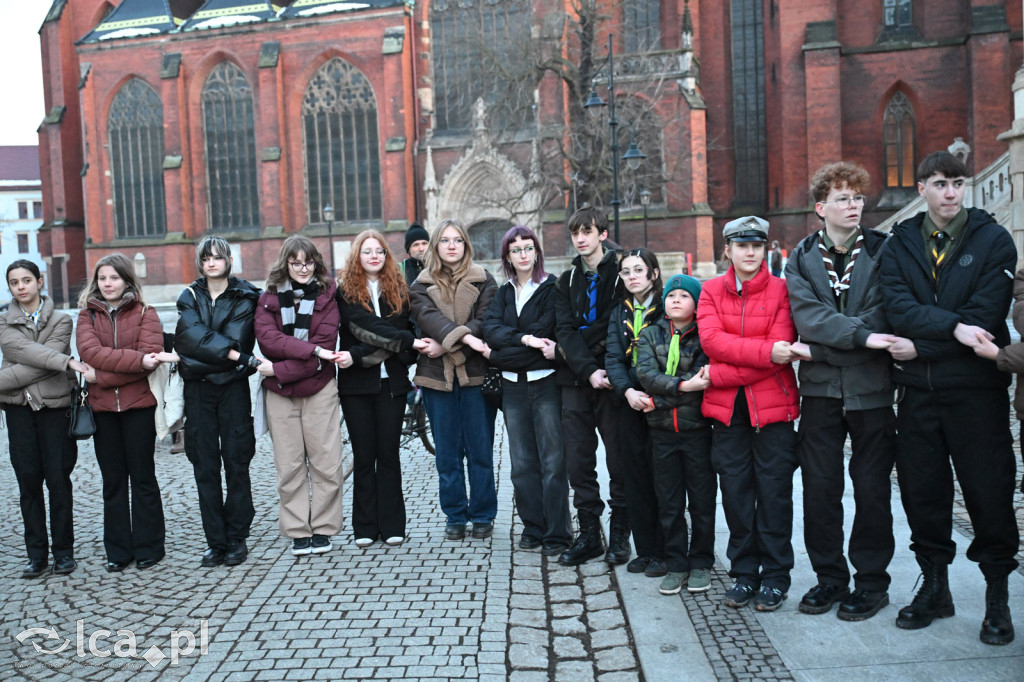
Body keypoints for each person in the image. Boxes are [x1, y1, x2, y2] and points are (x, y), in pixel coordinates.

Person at [878, 151, 1018, 645]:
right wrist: (954, 328)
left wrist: (925, 343)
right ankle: (935, 588)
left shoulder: (994, 240)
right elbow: (897, 308)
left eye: (958, 182)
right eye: (940, 183)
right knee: (923, 493)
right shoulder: (899, 244)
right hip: (918, 393)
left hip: (976, 393)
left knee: (989, 491)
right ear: (922, 189)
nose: (950, 192)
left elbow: (987, 315)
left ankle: (997, 597)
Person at [785, 162, 900, 621]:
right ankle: (830, 578)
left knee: (872, 489)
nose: (853, 205)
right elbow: (805, 316)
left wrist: (824, 349)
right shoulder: (800, 257)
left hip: (872, 392)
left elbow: (887, 313)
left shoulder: (885, 251)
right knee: (819, 488)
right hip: (818, 395)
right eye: (843, 198)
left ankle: (872, 583)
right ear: (821, 208)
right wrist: (860, 342)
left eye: (857, 197)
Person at [697, 216, 801, 612]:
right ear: (728, 250)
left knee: (774, 495)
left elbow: (781, 349)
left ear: (765, 248)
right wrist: (761, 354)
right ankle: (744, 573)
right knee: (737, 495)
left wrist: (721, 373)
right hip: (727, 414)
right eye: (742, 246)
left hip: (773, 411)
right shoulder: (709, 292)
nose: (751, 252)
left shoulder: (781, 291)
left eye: (757, 245)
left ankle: (775, 577)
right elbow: (711, 340)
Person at [174, 236, 263, 568]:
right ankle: (216, 540)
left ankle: (237, 537)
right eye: (206, 258)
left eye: (217, 257)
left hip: (232, 390)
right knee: (205, 466)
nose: (211, 263)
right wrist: (224, 356)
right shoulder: (189, 296)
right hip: (198, 393)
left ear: (228, 260)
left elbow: (238, 342)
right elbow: (187, 338)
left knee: (237, 462)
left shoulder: (246, 295)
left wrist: (194, 358)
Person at [482, 225, 571, 556]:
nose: (522, 254)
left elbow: (545, 330)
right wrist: (524, 340)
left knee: (553, 461)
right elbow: (491, 329)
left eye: (527, 248)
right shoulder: (503, 293)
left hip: (546, 384)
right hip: (512, 389)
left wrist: (501, 352)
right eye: (515, 249)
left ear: (537, 252)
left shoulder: (551, 288)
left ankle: (558, 532)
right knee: (521, 464)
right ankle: (533, 527)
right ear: (507, 256)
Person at [75, 253, 167, 573]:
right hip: (102, 410)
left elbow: (149, 359)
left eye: (114, 278)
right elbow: (90, 352)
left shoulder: (146, 313)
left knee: (143, 478)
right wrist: (134, 364)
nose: (108, 284)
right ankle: (118, 550)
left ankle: (149, 547)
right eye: (102, 278)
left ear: (127, 279)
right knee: (113, 482)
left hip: (138, 407)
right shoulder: (87, 316)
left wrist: (99, 376)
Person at [254, 235, 344, 557]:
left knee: (326, 462)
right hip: (280, 394)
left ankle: (322, 527)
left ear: (316, 263)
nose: (302, 268)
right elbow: (268, 341)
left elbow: (326, 344)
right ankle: (297, 530)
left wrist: (279, 370)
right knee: (289, 465)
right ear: (285, 263)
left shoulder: (329, 296)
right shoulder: (268, 298)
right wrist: (313, 351)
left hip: (318, 387)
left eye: (308, 262)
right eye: (295, 262)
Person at [409, 218, 498, 540]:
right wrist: (469, 341)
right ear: (436, 246)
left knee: (480, 450)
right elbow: (428, 319)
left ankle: (484, 514)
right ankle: (455, 516)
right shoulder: (420, 285)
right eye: (445, 240)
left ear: (465, 245)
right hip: (437, 379)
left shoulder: (485, 281)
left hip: (475, 376)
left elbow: (486, 321)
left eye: (457, 240)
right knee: (447, 453)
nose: (451, 246)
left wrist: (453, 343)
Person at [0, 260, 88, 578]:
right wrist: (63, 362)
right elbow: (44, 360)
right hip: (19, 413)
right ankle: (36, 555)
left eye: (26, 280)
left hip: (54, 411)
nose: (20, 287)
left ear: (40, 282)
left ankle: (64, 553)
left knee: (58, 482)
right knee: (28, 484)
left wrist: (9, 374)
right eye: (14, 282)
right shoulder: (2, 324)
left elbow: (40, 362)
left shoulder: (62, 321)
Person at [338, 229, 425, 547]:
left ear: (387, 257)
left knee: (388, 454)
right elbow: (365, 330)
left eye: (380, 251)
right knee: (364, 455)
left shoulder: (398, 289)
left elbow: (396, 331)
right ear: (357, 257)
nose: (374, 256)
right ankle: (363, 527)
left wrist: (399, 343)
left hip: (393, 384)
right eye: (367, 251)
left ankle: (391, 524)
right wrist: (404, 342)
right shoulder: (345, 292)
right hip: (356, 387)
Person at [553, 207, 627, 566]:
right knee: (579, 462)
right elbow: (563, 330)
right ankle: (589, 534)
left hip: (612, 379)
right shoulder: (565, 281)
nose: (580, 238)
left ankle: (621, 534)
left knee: (619, 458)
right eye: (575, 233)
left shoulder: (620, 275)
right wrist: (587, 371)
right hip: (576, 381)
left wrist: (593, 363)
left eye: (587, 231)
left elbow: (615, 322)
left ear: (602, 233)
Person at [635, 274, 716, 596]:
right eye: (671, 295)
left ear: (696, 303)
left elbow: (703, 383)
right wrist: (680, 388)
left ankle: (701, 562)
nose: (676, 300)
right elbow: (646, 375)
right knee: (669, 502)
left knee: (701, 501)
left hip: (697, 432)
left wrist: (659, 400)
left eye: (684, 295)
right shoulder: (650, 334)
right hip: (661, 433)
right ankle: (677, 561)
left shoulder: (704, 338)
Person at [605, 248, 665, 577]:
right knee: (635, 478)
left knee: (663, 479)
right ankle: (645, 549)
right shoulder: (620, 311)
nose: (632, 276)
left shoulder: (667, 305)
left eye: (638, 270)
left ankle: (666, 549)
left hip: (661, 402)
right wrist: (626, 391)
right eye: (626, 272)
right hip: (629, 402)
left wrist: (653, 390)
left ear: (653, 273)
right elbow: (613, 357)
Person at [401, 223, 430, 288]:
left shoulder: (438, 268)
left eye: (424, 243)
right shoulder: (400, 271)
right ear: (408, 250)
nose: (421, 249)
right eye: (416, 245)